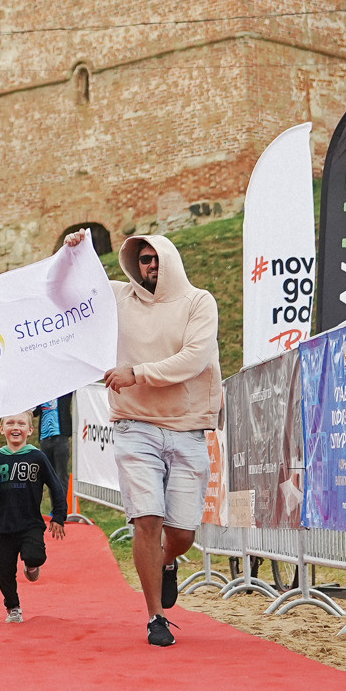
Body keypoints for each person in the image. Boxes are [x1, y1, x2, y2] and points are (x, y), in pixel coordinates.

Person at [104, 233, 222, 646]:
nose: (149, 267)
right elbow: (69, 293)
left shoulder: (198, 302)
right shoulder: (118, 297)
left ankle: (168, 562)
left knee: (182, 532)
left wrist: (137, 372)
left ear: (169, 260)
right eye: (142, 261)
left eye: (155, 259)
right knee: (146, 517)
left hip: (187, 427)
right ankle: (155, 617)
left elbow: (195, 357)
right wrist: (74, 249)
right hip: (133, 423)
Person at [38, 221, 114, 504]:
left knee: (60, 473)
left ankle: (63, 508)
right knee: (45, 476)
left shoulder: (64, 388)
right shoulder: (42, 393)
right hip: (44, 438)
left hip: (61, 437)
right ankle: (50, 508)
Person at [0, 410, 66, 622]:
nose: (15, 427)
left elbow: (55, 486)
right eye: (10, 423)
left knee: (36, 556)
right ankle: (13, 607)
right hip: (2, 526)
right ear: (2, 429)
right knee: (3, 572)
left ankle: (30, 564)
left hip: (30, 523)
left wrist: (59, 515)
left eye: (21, 424)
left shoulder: (38, 457)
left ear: (30, 430)